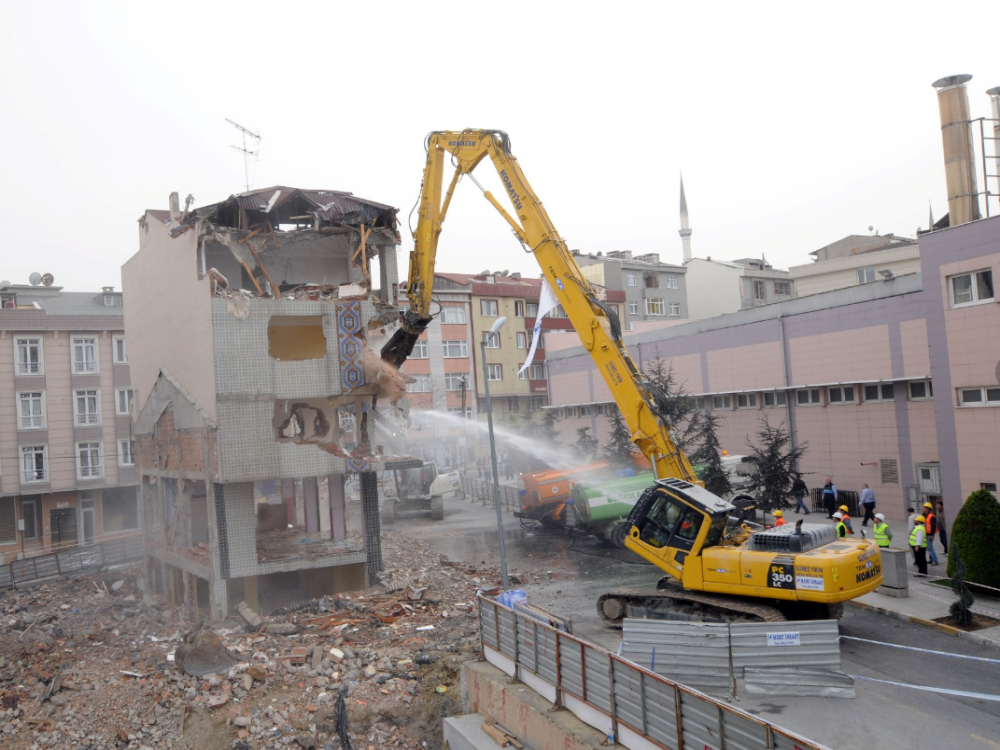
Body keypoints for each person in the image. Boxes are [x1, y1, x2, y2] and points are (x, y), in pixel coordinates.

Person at [922, 502, 939, 566]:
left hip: (929, 534)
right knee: (928, 547)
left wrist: (932, 534)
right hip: (925, 534)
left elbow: (933, 526)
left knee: (930, 547)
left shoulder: (932, 516)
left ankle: (935, 560)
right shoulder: (923, 515)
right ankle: (931, 559)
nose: (923, 508)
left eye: (924, 507)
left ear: (928, 509)